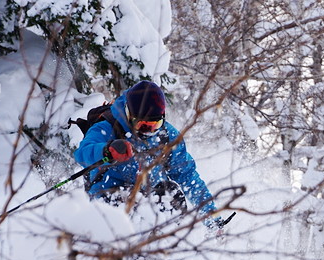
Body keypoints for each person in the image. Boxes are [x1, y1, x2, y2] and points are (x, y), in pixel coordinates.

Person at [73, 80, 224, 230]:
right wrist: (107, 150)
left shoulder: (167, 136)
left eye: (155, 125)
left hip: (149, 196)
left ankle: (165, 242)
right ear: (128, 114)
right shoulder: (107, 127)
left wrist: (211, 215)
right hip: (110, 193)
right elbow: (82, 153)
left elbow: (187, 175)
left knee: (172, 194)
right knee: (122, 217)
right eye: (143, 125)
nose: (149, 131)